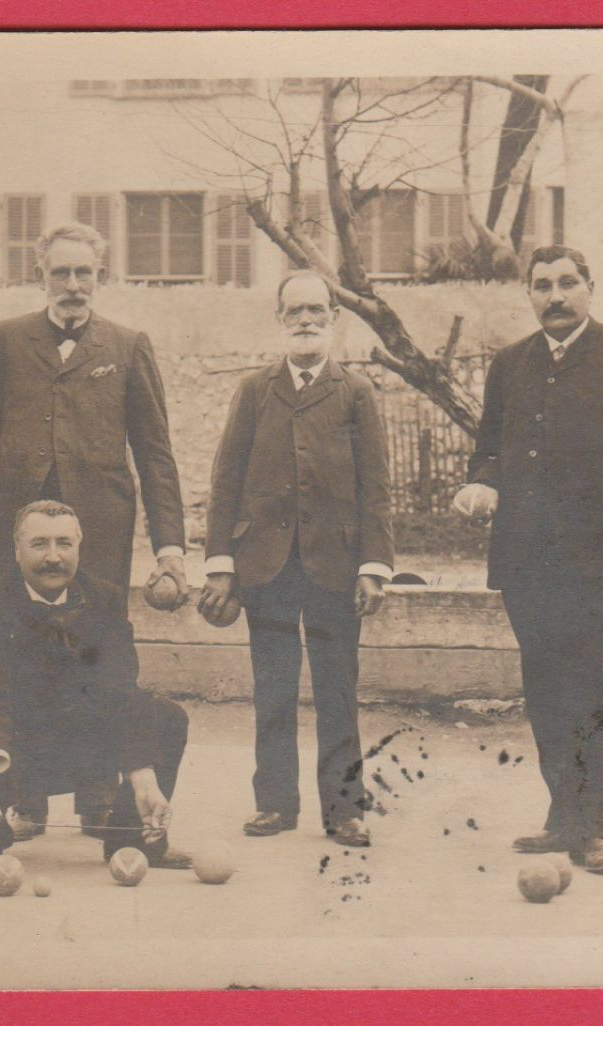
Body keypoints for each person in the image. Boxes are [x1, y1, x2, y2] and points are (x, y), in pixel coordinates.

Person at [0, 221, 188, 837]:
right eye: (62, 272)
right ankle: (26, 795)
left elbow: (155, 452)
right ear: (42, 277)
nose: (74, 285)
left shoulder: (128, 345)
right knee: (17, 657)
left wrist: (170, 548)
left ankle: (99, 797)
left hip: (99, 534)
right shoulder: (5, 339)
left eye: (85, 273)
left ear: (100, 277)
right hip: (17, 533)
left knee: (99, 659)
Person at [453, 245, 603, 876]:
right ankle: (564, 815)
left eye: (568, 283)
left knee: (598, 695)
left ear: (589, 287)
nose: (556, 296)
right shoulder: (508, 364)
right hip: (527, 564)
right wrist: (482, 483)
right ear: (528, 293)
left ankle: (598, 830)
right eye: (543, 285)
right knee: (546, 692)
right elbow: (488, 448)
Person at [199, 270, 393, 848]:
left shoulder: (355, 392)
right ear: (279, 321)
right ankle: (275, 804)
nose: (306, 321)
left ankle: (345, 810)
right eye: (294, 312)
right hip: (268, 567)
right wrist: (220, 564)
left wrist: (373, 566)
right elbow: (226, 477)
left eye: (317, 311)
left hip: (335, 567)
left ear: (334, 319)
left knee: (338, 689)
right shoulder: (256, 391)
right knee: (273, 688)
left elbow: (376, 486)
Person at [0, 501, 192, 872]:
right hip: (19, 750)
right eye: (39, 544)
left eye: (64, 544)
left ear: (79, 546)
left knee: (166, 717)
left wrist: (143, 777)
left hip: (84, 750)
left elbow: (119, 690)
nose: (54, 557)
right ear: (16, 549)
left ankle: (132, 838)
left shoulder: (104, 597)